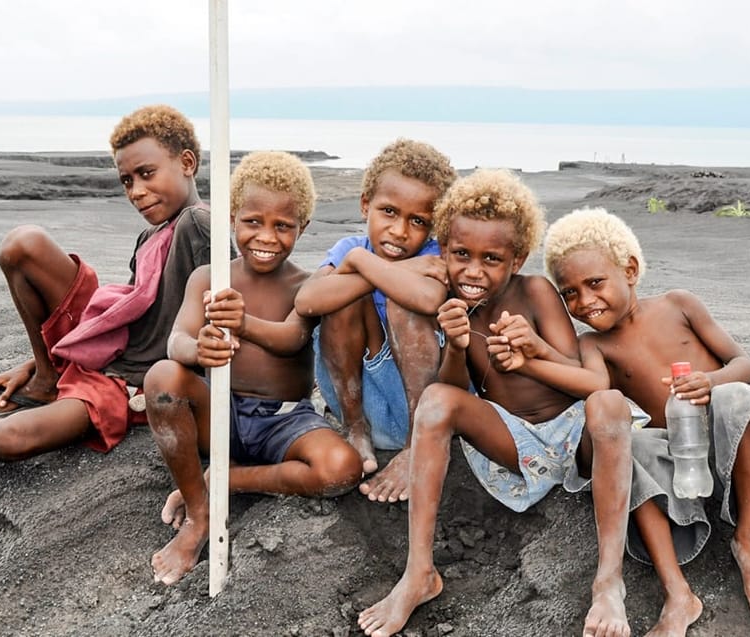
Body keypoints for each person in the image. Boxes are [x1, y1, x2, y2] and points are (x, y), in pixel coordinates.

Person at [359, 170, 640, 637]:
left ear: (517, 259)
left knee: (610, 403)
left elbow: (584, 383)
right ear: (443, 250)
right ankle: (418, 574)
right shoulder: (453, 303)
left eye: (492, 259)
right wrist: (455, 343)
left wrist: (531, 354)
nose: (473, 271)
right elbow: (454, 389)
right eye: (461, 255)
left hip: (573, 435)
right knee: (434, 400)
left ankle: (609, 582)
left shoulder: (535, 293)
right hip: (513, 440)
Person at [0, 104, 220, 459]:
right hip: (113, 354)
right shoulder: (150, 237)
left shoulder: (199, 225)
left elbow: (220, 324)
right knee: (22, 245)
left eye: (146, 172)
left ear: (187, 163)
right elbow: (128, 322)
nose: (135, 191)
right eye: (126, 180)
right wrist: (38, 364)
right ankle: (48, 378)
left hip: (132, 382)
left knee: (7, 441)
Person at [543, 207, 750, 635]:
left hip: (731, 443)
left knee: (737, 395)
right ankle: (678, 593)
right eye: (570, 294)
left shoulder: (679, 304)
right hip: (678, 460)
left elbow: (744, 364)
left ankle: (748, 539)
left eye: (595, 283)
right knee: (632, 446)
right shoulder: (595, 345)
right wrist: (532, 359)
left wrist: (711, 381)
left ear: (631, 270)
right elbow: (594, 388)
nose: (584, 301)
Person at [145, 151, 364, 585]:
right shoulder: (210, 278)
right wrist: (198, 349)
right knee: (162, 378)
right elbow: (177, 340)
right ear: (231, 218)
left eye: (283, 226)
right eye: (252, 222)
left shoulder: (306, 286)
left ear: (301, 227)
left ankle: (228, 480)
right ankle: (198, 513)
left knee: (341, 467)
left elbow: (293, 338)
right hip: (219, 414)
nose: (266, 236)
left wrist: (243, 323)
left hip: (284, 419)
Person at [293, 138, 456, 502]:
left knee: (403, 299)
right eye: (388, 212)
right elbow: (306, 300)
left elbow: (428, 297)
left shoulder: (434, 255)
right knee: (341, 298)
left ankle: (417, 445)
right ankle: (355, 431)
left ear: (434, 227)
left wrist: (362, 264)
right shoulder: (351, 247)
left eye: (418, 221)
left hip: (417, 407)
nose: (399, 231)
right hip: (358, 400)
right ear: (366, 204)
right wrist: (366, 264)